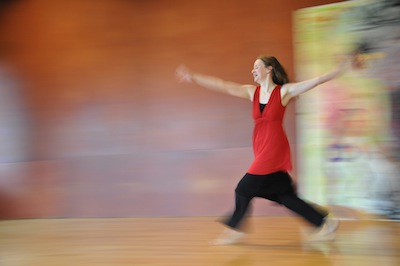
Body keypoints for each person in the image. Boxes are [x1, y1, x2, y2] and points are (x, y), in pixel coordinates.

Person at [176, 55, 350, 245]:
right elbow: (223, 85)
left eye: (257, 66)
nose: (253, 70)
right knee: (285, 196)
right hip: (261, 147)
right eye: (253, 67)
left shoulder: (284, 92)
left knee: (243, 189)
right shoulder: (253, 92)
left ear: (269, 69)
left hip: (273, 149)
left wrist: (341, 69)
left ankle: (235, 229)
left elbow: (316, 81)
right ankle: (324, 222)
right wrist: (194, 77)